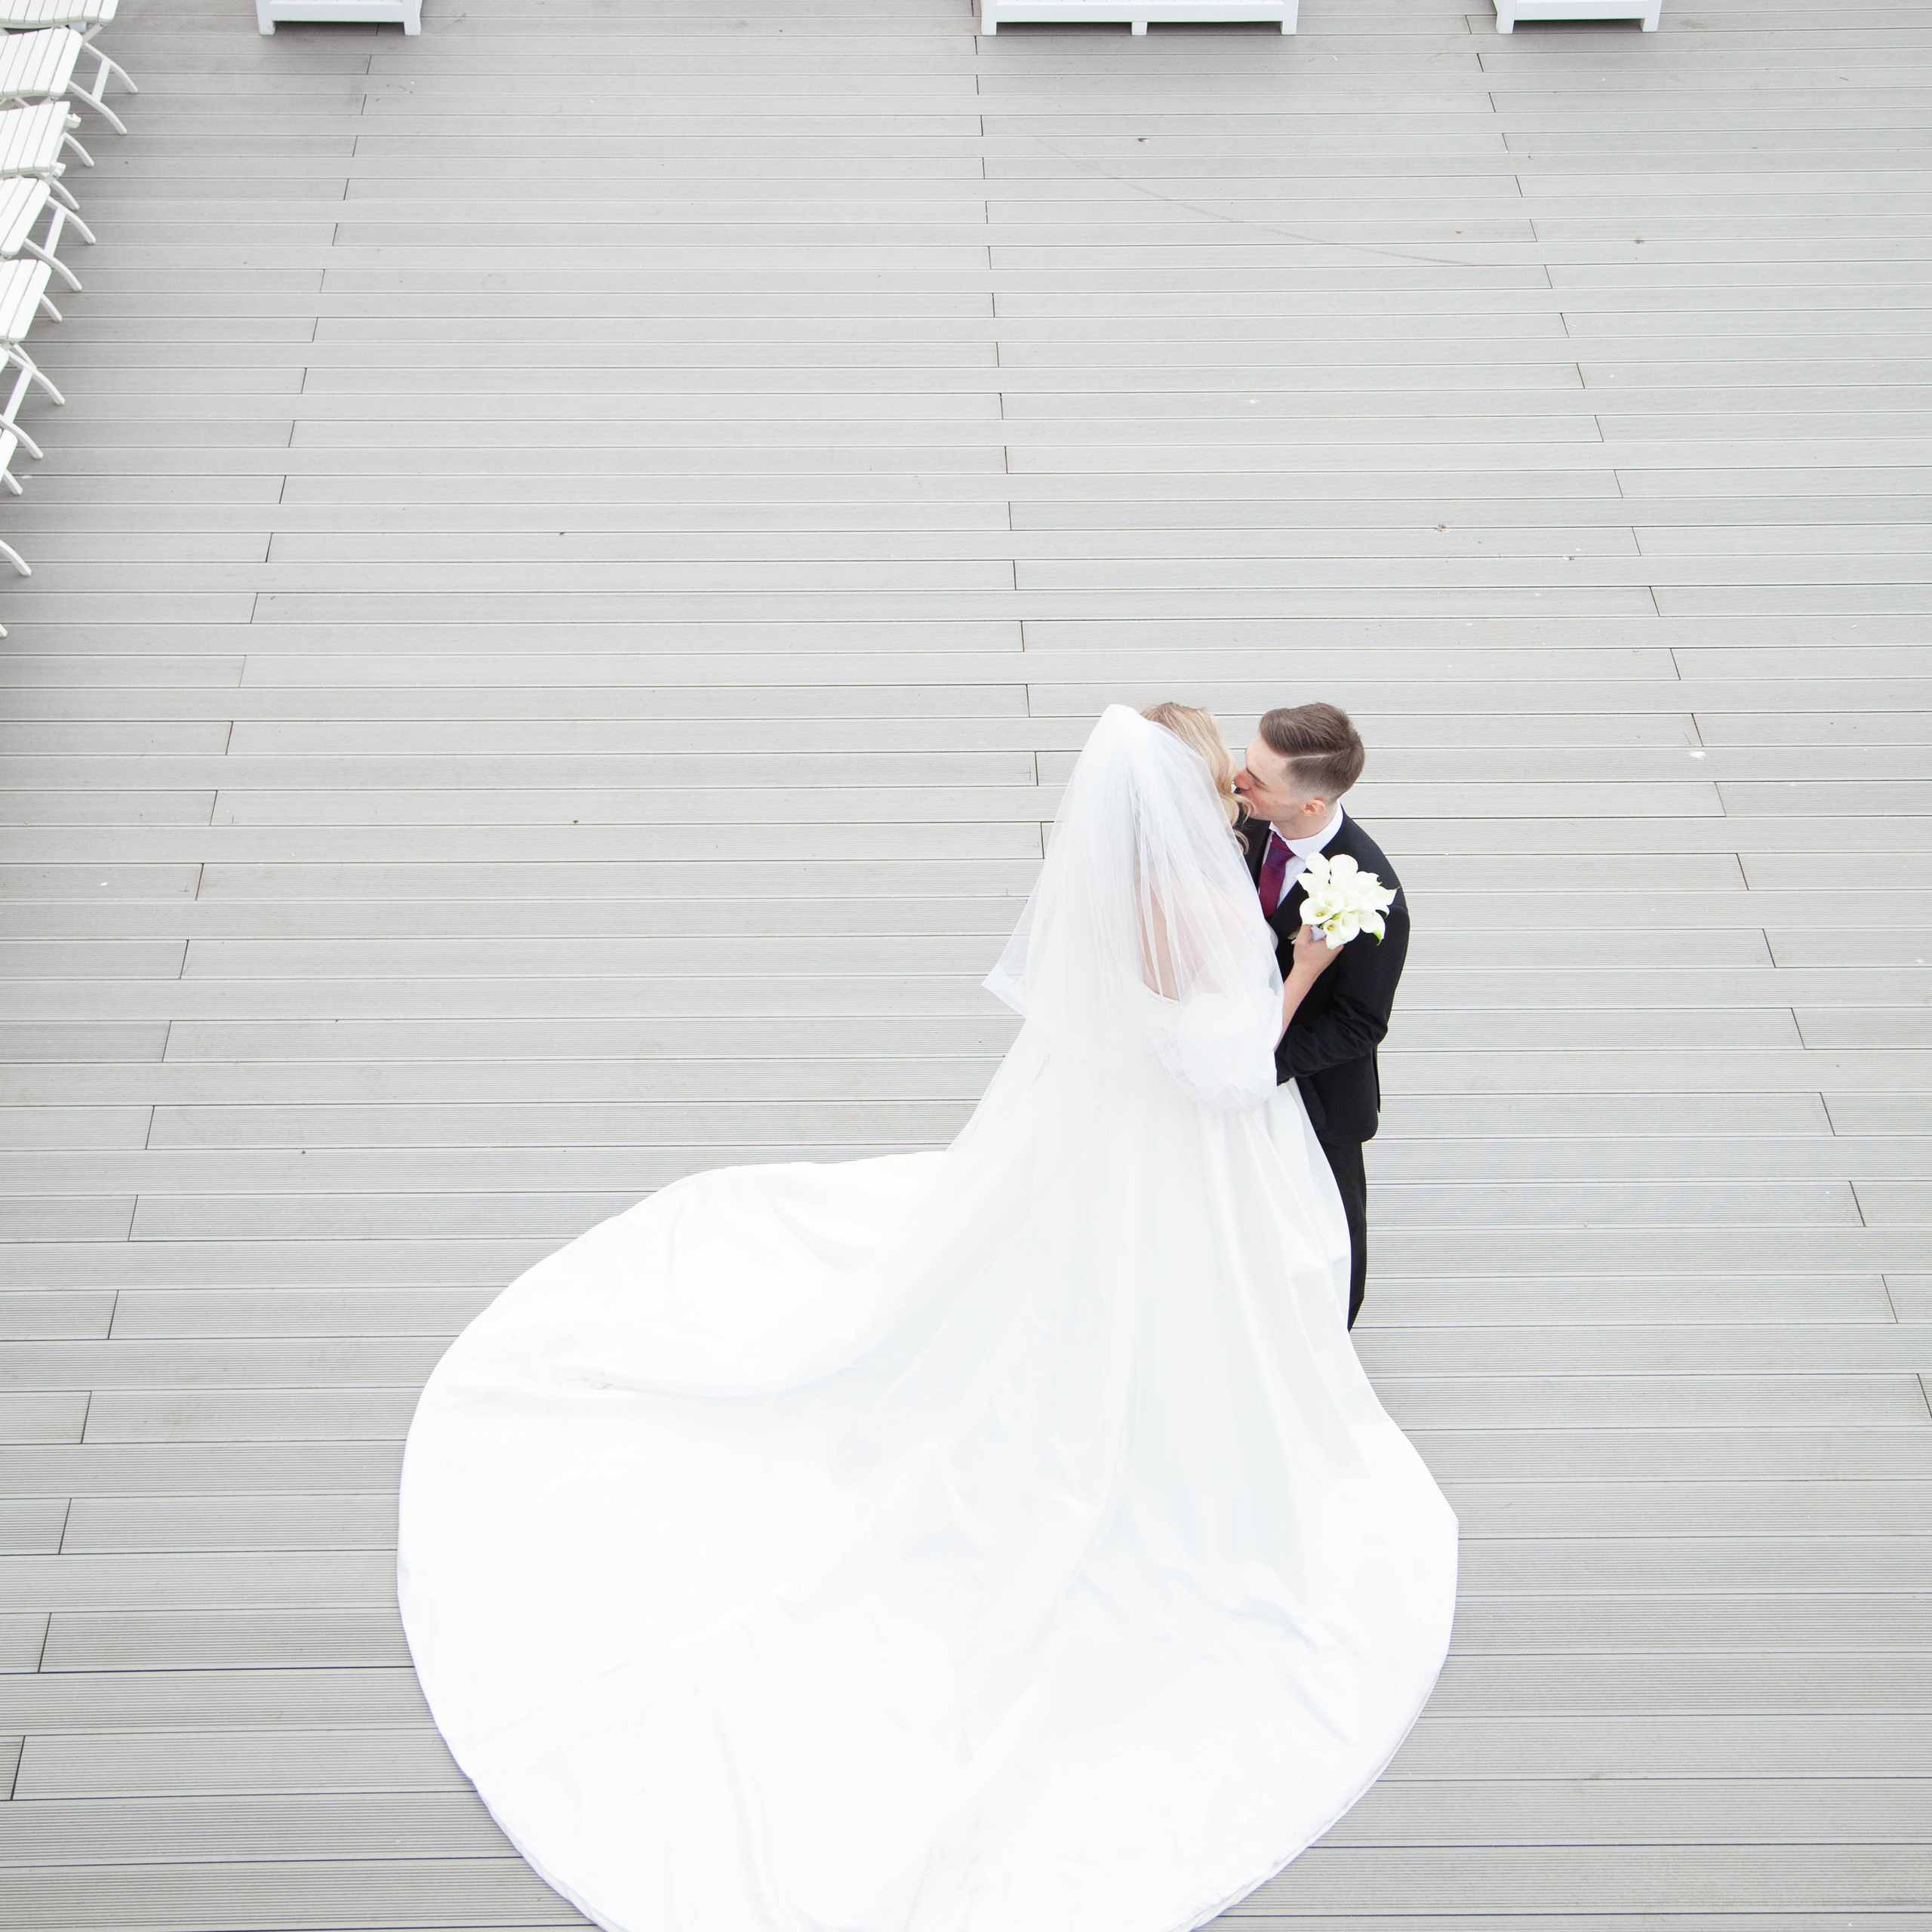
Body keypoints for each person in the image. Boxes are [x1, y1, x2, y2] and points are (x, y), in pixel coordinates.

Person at [397, 703, 1457, 1932]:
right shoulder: (1202, 873)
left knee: (1246, 1259)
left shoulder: (1311, 875)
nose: (1243, 796)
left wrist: (1300, 968)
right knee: (1169, 1286)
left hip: (1220, 1110)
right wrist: (1289, 973)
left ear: (1301, 792)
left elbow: (1326, 1026)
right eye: (1231, 779)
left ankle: (1272, 1341)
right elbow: (1222, 1038)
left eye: (1256, 783)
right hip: (1199, 1112)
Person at [1233, 704, 1408, 1329]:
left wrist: (1256, 1060)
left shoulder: (1369, 892)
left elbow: (1361, 1023)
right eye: (1245, 761)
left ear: (1310, 805)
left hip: (1311, 1089)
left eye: (1257, 778)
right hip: (1222, 1057)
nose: (1236, 781)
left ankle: (1330, 1341)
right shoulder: (1239, 820)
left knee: (1331, 1225)